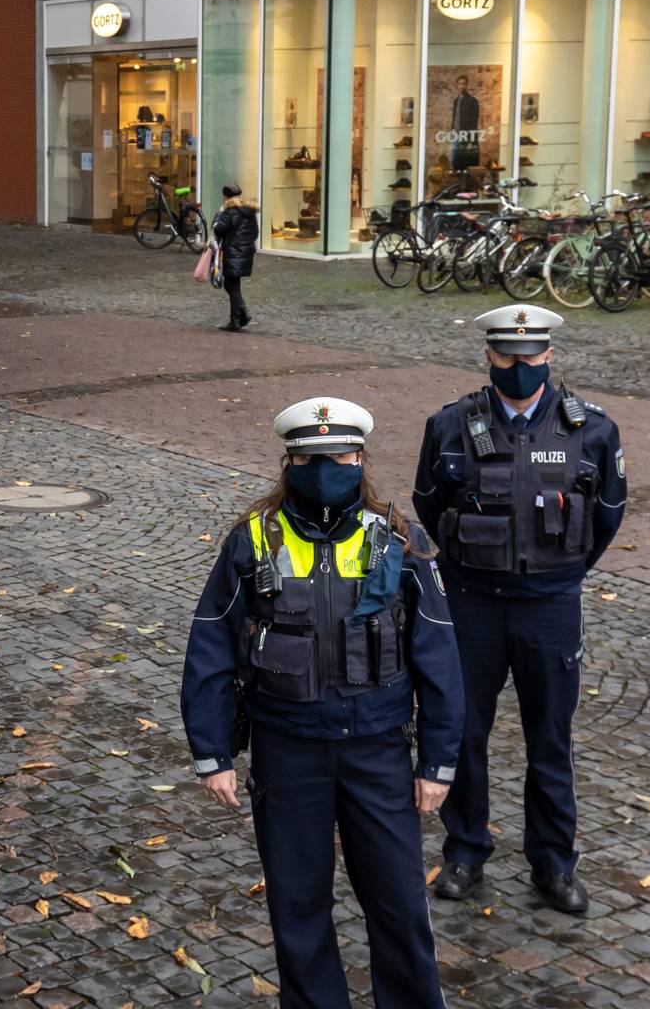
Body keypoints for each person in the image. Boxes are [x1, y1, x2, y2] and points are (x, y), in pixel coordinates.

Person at [182, 395, 462, 1009]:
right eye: (310, 457)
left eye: (338, 455)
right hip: (288, 752)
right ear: (289, 462)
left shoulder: (400, 540)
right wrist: (212, 752)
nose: (325, 467)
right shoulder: (252, 539)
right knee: (297, 905)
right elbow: (210, 643)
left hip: (379, 750)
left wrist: (438, 763)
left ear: (361, 459)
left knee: (399, 902)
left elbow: (438, 655)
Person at [412, 305, 627, 918]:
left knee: (550, 740)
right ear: (488, 355)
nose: (520, 368)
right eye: (507, 356)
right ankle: (465, 852)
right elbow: (430, 501)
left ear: (550, 356)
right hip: (473, 605)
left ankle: (554, 864)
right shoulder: (451, 424)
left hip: (549, 607)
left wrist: (558, 574)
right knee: (463, 732)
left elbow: (607, 515)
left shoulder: (593, 430)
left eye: (531, 357)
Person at [213, 184, 259, 332]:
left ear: (226, 197)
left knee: (231, 285)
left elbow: (218, 229)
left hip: (233, 252)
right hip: (245, 251)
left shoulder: (229, 211)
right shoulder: (248, 211)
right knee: (232, 284)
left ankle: (237, 319)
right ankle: (241, 315)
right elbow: (255, 232)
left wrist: (219, 215)